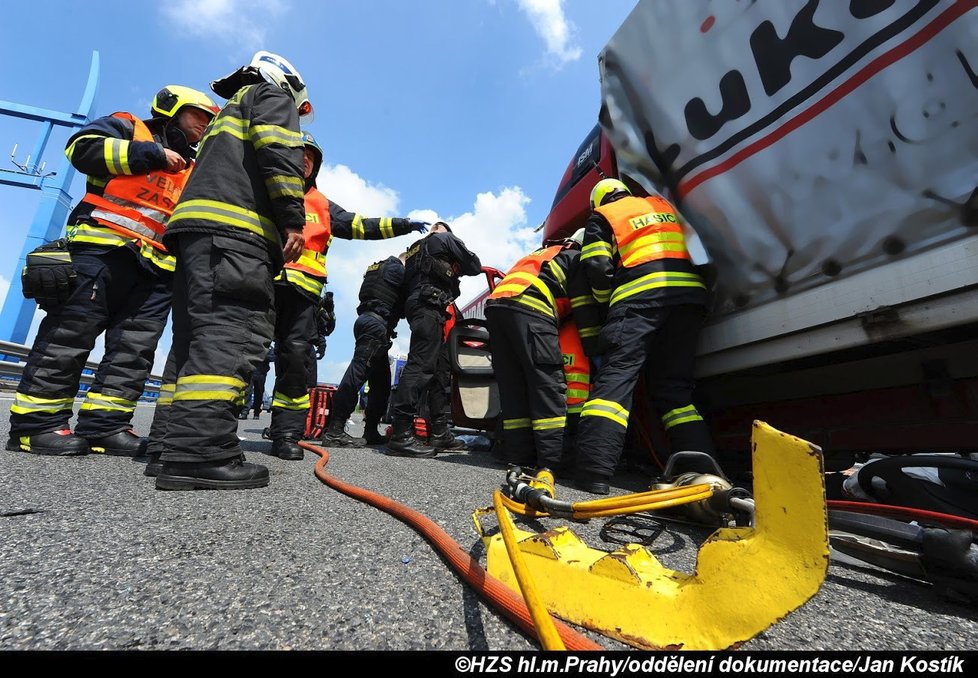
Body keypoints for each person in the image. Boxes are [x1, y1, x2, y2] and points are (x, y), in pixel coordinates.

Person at [6, 86, 217, 457]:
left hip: (157, 269)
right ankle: (34, 426)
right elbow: (80, 149)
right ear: (173, 110)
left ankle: (105, 426)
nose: (206, 124)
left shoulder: (195, 167)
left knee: (133, 350)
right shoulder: (129, 127)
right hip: (102, 250)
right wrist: (150, 154)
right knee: (69, 337)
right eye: (200, 115)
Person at [145, 51, 313, 490]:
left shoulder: (228, 112)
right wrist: (292, 216)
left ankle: (169, 446)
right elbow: (279, 154)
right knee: (230, 337)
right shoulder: (270, 98)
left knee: (193, 344)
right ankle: (200, 454)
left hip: (197, 237)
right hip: (236, 237)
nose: (296, 114)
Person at [266, 133, 427, 461]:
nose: (304, 160)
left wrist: (403, 224)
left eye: (311, 156)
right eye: (298, 153)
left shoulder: (322, 205)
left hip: (305, 295)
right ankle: (212, 430)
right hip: (262, 286)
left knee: (297, 363)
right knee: (245, 356)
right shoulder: (263, 189)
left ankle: (287, 434)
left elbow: (361, 224)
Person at [572, 178, 713, 495]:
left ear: (599, 200)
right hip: (689, 300)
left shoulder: (606, 215)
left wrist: (607, 304)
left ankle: (593, 473)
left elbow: (597, 266)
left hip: (639, 297)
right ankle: (703, 471)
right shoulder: (662, 206)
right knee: (675, 391)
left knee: (615, 381)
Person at [484, 232, 587, 473]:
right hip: (532, 309)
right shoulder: (576, 257)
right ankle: (553, 461)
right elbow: (585, 309)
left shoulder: (543, 253)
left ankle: (519, 457)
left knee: (514, 388)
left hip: (497, 307)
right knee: (546, 384)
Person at [386, 222, 482, 458]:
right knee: (421, 366)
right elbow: (475, 266)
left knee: (437, 370)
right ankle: (401, 435)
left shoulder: (414, 250)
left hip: (421, 305)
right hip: (429, 305)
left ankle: (439, 432)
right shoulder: (445, 239)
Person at [322, 253, 407, 447]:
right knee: (357, 373)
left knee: (381, 383)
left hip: (367, 322)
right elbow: (404, 305)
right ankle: (334, 430)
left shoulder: (377, 268)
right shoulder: (397, 270)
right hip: (375, 326)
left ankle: (370, 431)